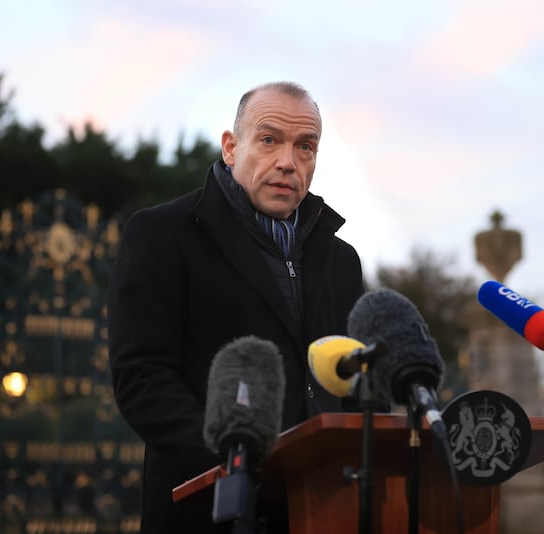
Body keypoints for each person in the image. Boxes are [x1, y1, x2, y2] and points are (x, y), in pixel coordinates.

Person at [108, 81, 366, 533]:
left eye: (305, 146)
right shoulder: (162, 234)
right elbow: (142, 377)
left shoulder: (342, 261)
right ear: (231, 147)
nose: (288, 161)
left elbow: (356, 386)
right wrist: (240, 459)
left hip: (324, 510)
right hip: (206, 510)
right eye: (269, 140)